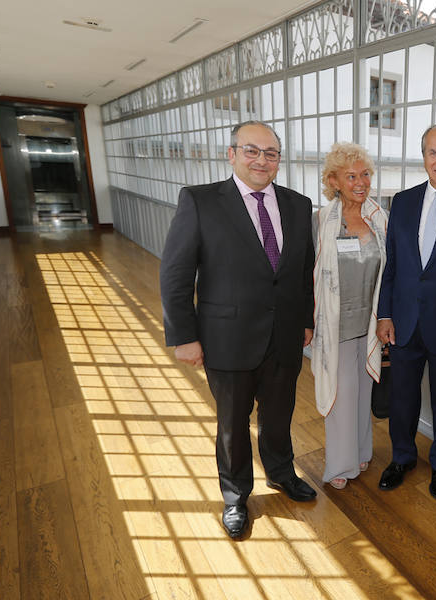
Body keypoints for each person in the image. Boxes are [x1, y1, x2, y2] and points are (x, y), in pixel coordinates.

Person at [160, 120, 317, 541]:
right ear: (231, 154)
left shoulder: (299, 206)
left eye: (270, 153)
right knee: (232, 423)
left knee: (279, 415)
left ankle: (282, 473)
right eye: (251, 151)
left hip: (283, 336)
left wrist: (305, 320)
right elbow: (175, 273)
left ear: (279, 161)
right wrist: (184, 336)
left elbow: (303, 273)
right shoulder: (200, 201)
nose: (261, 160)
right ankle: (235, 495)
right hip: (225, 338)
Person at [375, 123, 436, 500]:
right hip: (403, 320)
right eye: (434, 152)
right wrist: (384, 313)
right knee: (401, 396)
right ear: (424, 157)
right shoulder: (402, 201)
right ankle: (402, 457)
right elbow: (392, 264)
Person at [311, 142, 388, 490]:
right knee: (341, 393)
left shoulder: (380, 218)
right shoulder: (321, 222)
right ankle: (340, 465)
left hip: (369, 323)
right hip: (335, 323)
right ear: (334, 181)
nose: (361, 182)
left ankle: (360, 450)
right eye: (351, 176)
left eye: (365, 174)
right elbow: (306, 274)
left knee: (362, 392)